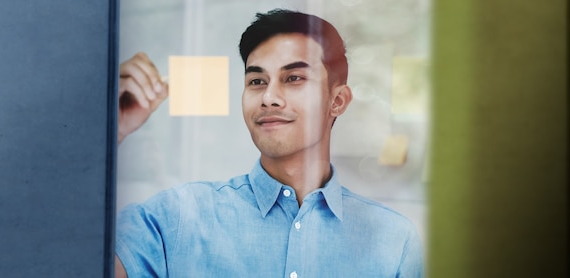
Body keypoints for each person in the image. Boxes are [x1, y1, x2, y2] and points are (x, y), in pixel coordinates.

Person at [114, 9, 423, 278]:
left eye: (294, 78)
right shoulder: (173, 218)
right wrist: (109, 132)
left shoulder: (393, 240)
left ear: (337, 101)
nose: (269, 98)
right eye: (257, 81)